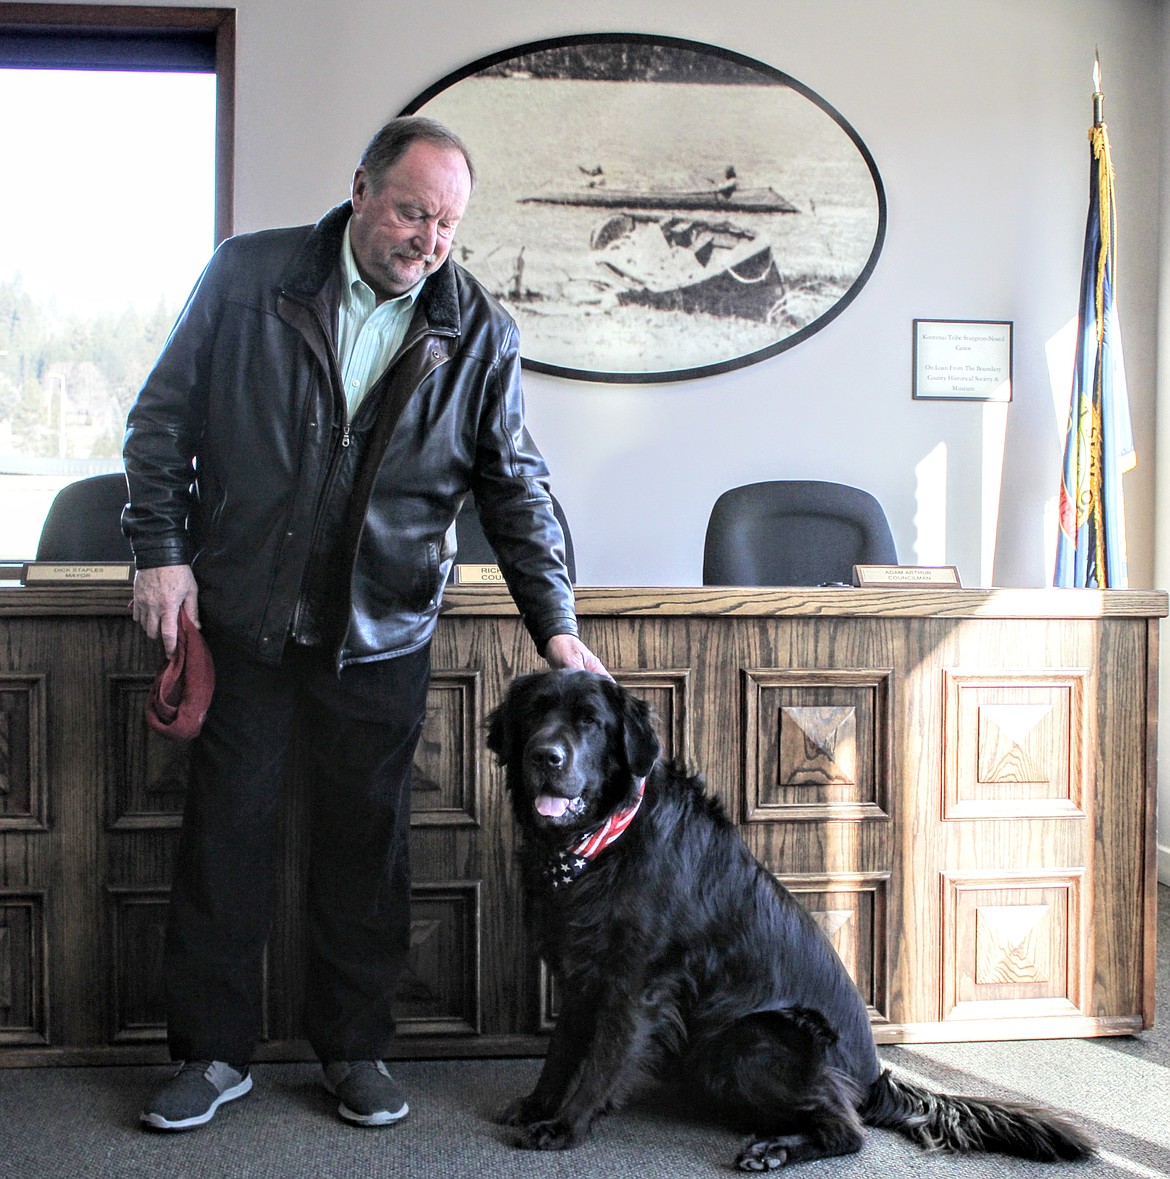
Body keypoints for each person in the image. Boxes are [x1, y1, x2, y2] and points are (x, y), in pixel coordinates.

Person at [123, 115, 605, 1133]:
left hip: (380, 634)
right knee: (226, 843)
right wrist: (159, 550)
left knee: (366, 851)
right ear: (360, 190)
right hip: (246, 623)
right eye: (412, 211)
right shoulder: (248, 277)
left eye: (447, 224)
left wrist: (557, 628)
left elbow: (515, 491)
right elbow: (160, 420)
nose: (428, 240)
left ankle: (353, 1050)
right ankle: (211, 1054)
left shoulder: (479, 330)